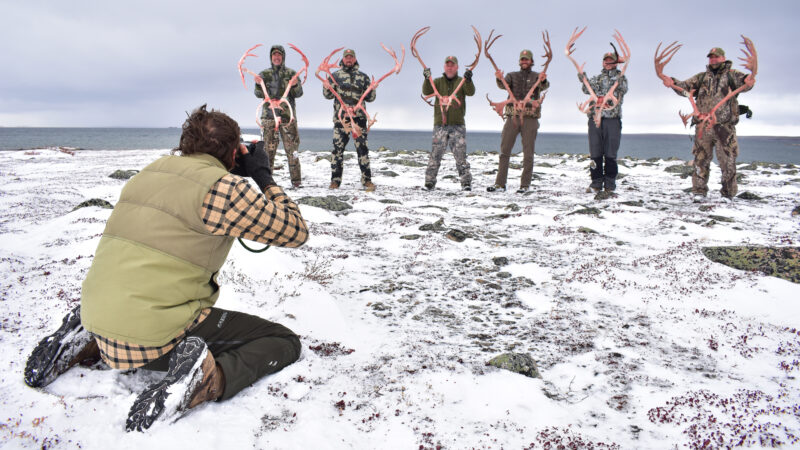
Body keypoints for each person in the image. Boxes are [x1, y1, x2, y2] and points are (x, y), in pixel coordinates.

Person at [23, 105, 309, 432]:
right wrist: (261, 174)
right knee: (282, 340)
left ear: (186, 142)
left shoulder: (149, 172)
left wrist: (228, 171)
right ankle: (205, 378)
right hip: (151, 333)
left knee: (127, 309)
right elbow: (295, 231)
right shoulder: (225, 189)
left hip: (96, 309)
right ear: (234, 152)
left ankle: (89, 338)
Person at [660, 47, 755, 201]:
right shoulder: (702, 78)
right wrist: (672, 82)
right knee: (700, 160)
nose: (713, 60)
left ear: (723, 58)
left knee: (727, 161)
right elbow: (684, 87)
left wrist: (749, 81)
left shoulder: (733, 76)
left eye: (716, 57)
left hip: (724, 127)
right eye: (711, 57)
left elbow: (746, 82)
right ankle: (699, 191)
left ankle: (728, 193)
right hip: (703, 127)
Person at [487, 49, 549, 194]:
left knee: (528, 154)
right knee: (504, 151)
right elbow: (502, 84)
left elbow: (544, 85)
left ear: (532, 62)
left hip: (530, 118)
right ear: (519, 61)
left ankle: (524, 185)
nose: (524, 61)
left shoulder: (537, 77)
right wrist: (498, 78)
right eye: (522, 59)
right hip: (512, 116)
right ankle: (500, 184)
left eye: (527, 59)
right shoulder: (511, 76)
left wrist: (543, 79)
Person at [322, 49, 376, 191]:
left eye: (351, 57)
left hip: (359, 119)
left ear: (355, 59)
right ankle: (335, 181)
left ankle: (367, 180)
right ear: (343, 59)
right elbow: (327, 95)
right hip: (341, 120)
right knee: (337, 151)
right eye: (347, 57)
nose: (349, 59)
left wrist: (373, 89)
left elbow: (370, 98)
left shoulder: (363, 77)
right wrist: (326, 86)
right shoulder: (334, 76)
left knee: (362, 150)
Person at [422, 56, 475, 191]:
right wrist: (426, 79)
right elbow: (426, 91)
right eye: (448, 65)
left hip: (458, 125)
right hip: (440, 125)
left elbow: (471, 92)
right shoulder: (438, 82)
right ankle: (429, 182)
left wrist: (468, 80)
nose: (450, 67)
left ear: (457, 67)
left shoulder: (461, 82)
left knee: (460, 156)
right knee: (436, 154)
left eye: (452, 65)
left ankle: (466, 182)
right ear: (444, 67)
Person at [254, 44, 304, 188]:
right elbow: (258, 94)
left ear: (283, 57)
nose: (276, 57)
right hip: (269, 118)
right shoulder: (264, 74)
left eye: (279, 55)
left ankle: (296, 181)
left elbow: (299, 94)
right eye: (274, 55)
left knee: (292, 150)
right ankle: (267, 182)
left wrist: (294, 85)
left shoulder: (292, 74)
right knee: (268, 151)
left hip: (288, 118)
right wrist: (258, 85)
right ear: (271, 57)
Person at [579, 52, 627, 193]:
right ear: (602, 62)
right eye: (605, 61)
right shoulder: (597, 79)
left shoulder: (620, 78)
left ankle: (610, 183)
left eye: (611, 61)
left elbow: (623, 88)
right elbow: (585, 89)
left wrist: (616, 78)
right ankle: (596, 182)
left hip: (612, 118)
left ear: (616, 63)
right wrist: (583, 79)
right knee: (595, 152)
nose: (608, 63)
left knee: (611, 153)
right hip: (595, 118)